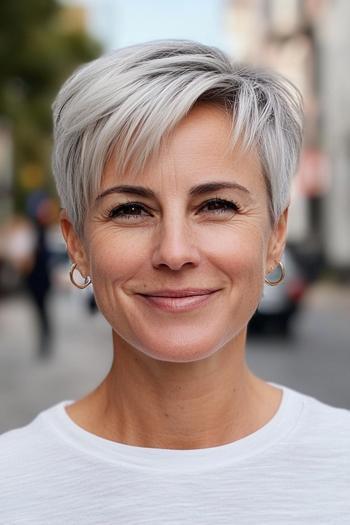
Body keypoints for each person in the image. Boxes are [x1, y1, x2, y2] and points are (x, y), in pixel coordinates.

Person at [0, 40, 349, 523]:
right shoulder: (11, 487)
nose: (175, 252)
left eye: (216, 205)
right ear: (77, 243)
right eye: (131, 210)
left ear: (276, 235)